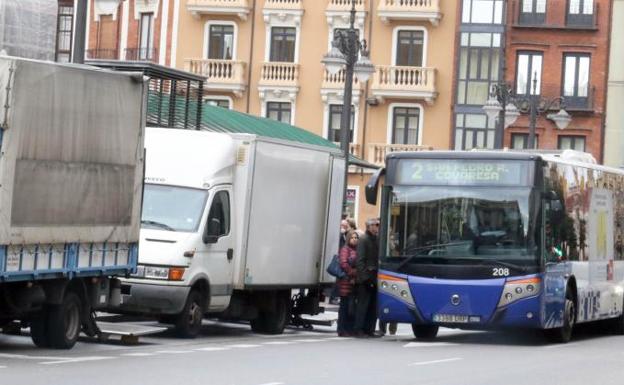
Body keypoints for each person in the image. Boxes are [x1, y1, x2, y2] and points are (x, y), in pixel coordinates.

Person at [354, 218, 381, 337]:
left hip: (375, 278)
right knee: (362, 306)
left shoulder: (377, 239)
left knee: (373, 306)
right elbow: (360, 261)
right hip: (366, 279)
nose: (377, 227)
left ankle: (370, 329)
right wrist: (365, 278)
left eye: (378, 225)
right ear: (369, 226)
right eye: (376, 225)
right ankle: (359, 329)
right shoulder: (364, 239)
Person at [336, 230, 359, 337]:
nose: (354, 239)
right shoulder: (345, 249)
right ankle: (342, 329)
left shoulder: (357, 249)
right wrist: (353, 273)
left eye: (356, 238)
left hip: (353, 283)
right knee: (344, 307)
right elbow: (343, 264)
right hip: (346, 282)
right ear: (348, 238)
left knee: (351, 307)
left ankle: (349, 329)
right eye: (352, 237)